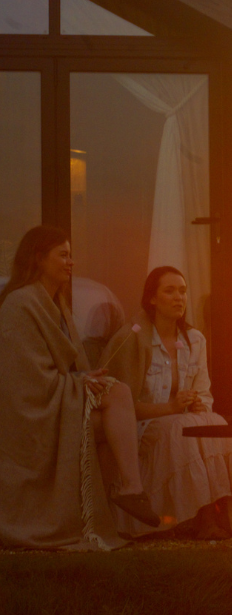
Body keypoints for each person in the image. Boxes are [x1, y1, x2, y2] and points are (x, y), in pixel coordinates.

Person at [0, 226, 159, 551]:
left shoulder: (58, 304)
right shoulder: (19, 305)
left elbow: (71, 366)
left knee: (114, 402)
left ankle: (120, 497)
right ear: (38, 258)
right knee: (116, 398)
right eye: (63, 255)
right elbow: (23, 381)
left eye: (71, 255)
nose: (71, 262)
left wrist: (86, 377)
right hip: (28, 420)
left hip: (57, 404)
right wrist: (78, 383)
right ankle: (127, 490)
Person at [101, 266, 232, 539]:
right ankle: (201, 521)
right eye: (169, 291)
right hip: (142, 427)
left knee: (213, 422)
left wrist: (196, 404)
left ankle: (212, 517)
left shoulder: (194, 340)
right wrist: (170, 408)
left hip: (182, 421)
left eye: (182, 291)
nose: (178, 297)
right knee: (183, 427)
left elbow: (205, 393)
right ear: (152, 299)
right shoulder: (132, 338)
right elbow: (121, 407)